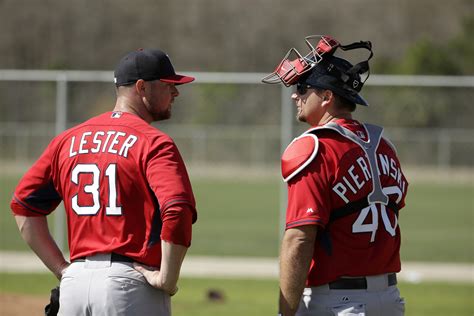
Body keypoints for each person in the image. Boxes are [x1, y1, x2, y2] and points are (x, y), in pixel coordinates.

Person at [11, 48, 198, 316]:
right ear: (142, 87)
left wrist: (62, 270)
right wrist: (167, 278)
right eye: (168, 85)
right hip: (129, 286)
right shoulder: (154, 142)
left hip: (74, 286)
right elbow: (177, 208)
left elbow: (24, 207)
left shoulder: (67, 140)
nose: (176, 93)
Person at [262, 35, 408, 315]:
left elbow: (300, 239)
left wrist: (285, 312)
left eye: (303, 87)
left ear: (327, 97)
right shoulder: (385, 147)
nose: (295, 94)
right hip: (390, 298)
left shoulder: (313, 147)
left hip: (337, 302)